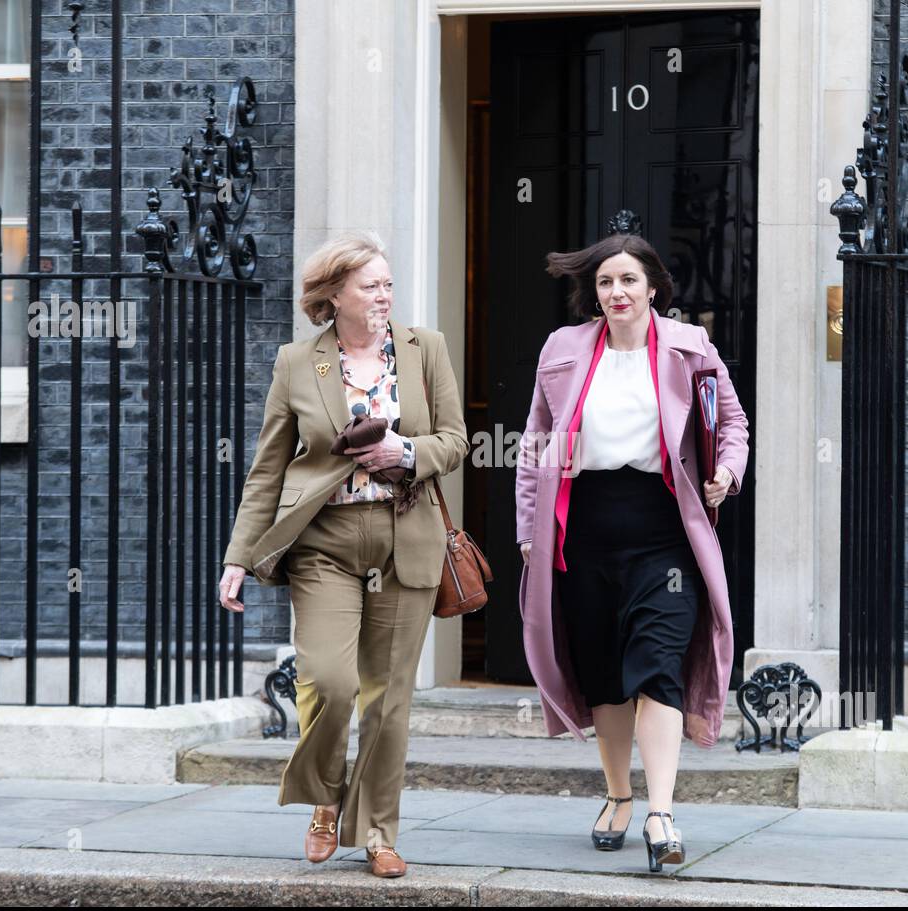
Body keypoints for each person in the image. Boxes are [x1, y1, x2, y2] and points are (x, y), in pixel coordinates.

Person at [218, 232, 468, 878]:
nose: (384, 295)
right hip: (324, 543)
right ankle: (324, 797)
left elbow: (455, 441)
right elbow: (267, 468)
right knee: (329, 683)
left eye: (388, 284)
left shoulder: (425, 350)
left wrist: (405, 454)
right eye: (370, 286)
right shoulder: (298, 363)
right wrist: (239, 556)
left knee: (388, 699)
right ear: (334, 295)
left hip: (406, 535)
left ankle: (379, 830)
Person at [515, 234, 750, 872]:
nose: (616, 293)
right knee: (606, 674)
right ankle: (618, 795)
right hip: (584, 527)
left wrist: (726, 473)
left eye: (628, 281)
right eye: (604, 283)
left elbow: (732, 424)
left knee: (656, 661)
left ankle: (660, 812)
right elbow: (537, 443)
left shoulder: (689, 347)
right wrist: (529, 529)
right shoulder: (563, 351)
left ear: (653, 287)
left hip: (664, 528)